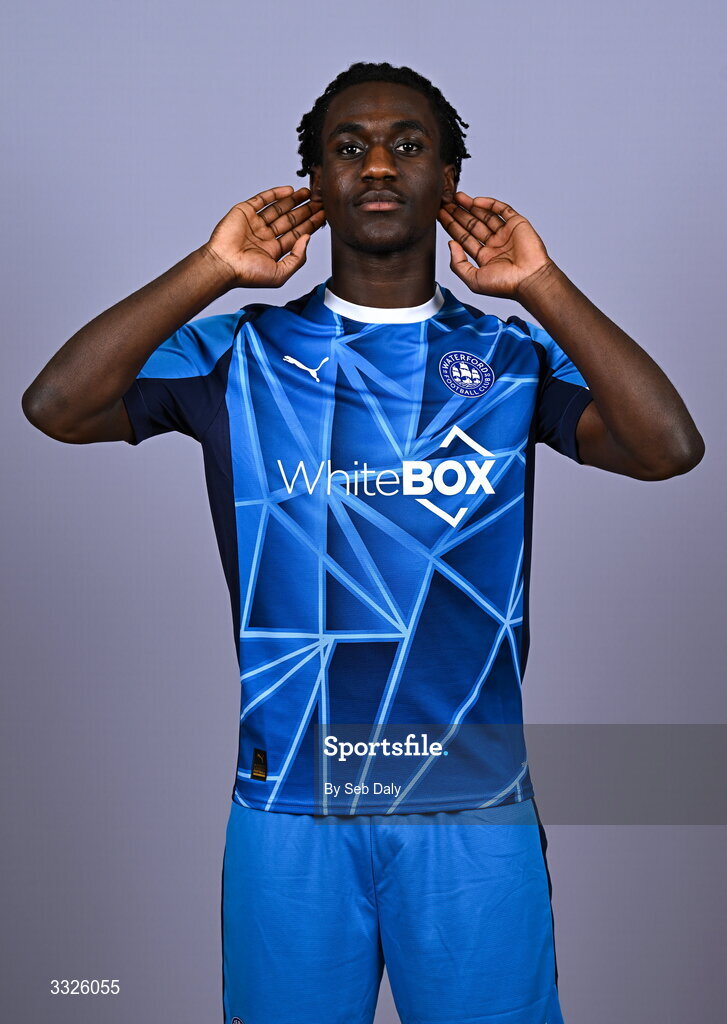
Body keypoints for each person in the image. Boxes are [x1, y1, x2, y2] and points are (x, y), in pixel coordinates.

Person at [22, 60, 704, 1024]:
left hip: (470, 802)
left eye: (408, 146)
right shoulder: (238, 352)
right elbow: (56, 404)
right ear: (315, 182)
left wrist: (541, 285)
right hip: (291, 801)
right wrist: (212, 268)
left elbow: (666, 447)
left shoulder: (509, 357)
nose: (378, 165)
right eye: (349, 148)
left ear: (448, 179)